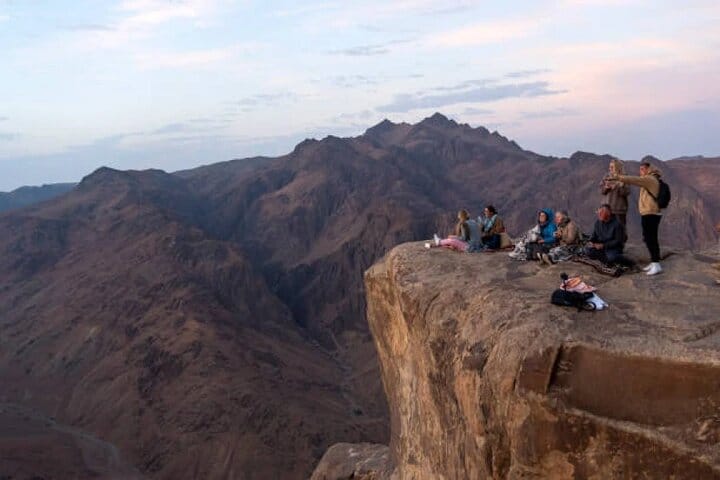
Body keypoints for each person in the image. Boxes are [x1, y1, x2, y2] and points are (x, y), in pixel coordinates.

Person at [611, 161, 663, 275]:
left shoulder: (650, 179)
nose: (640, 172)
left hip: (651, 213)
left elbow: (634, 180)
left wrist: (618, 177)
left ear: (647, 169)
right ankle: (655, 262)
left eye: (642, 169)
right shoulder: (650, 179)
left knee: (651, 238)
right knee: (649, 237)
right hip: (648, 213)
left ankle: (656, 264)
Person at [601, 159, 630, 233]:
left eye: (612, 167)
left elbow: (627, 192)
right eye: (609, 167)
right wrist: (606, 188)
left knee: (620, 231)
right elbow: (602, 191)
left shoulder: (624, 178)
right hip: (606, 209)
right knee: (606, 230)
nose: (610, 169)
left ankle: (620, 244)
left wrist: (618, 187)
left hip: (619, 210)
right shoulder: (606, 177)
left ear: (617, 168)